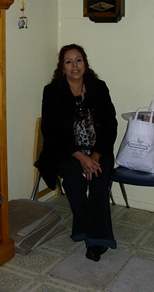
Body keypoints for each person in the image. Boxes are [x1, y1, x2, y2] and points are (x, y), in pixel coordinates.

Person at [37, 43, 117, 262]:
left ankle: (95, 239)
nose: (74, 65)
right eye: (68, 61)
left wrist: (96, 156)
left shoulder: (98, 87)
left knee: (99, 180)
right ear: (62, 67)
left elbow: (110, 124)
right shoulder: (52, 92)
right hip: (66, 152)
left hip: (98, 150)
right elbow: (51, 132)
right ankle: (88, 232)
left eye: (78, 60)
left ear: (85, 64)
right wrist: (81, 157)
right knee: (74, 179)